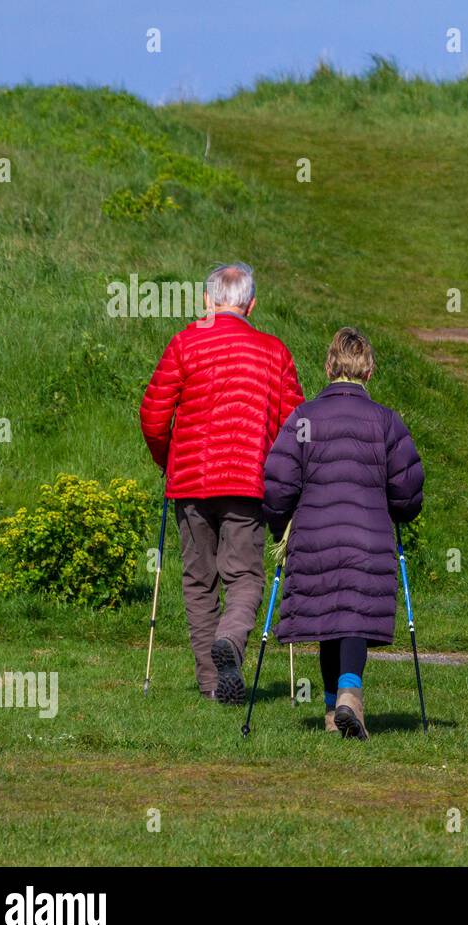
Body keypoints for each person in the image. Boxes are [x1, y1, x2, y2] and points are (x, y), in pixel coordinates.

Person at [139, 263, 304, 703]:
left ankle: (212, 684)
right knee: (245, 575)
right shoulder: (274, 351)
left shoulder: (184, 344)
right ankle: (230, 642)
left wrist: (167, 462)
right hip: (249, 481)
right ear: (251, 304)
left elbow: (153, 416)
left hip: (191, 483)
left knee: (199, 581)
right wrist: (289, 484)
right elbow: (295, 428)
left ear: (207, 301)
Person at [262, 328, 424, 739]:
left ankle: (334, 709)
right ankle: (350, 693)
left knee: (327, 617)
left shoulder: (303, 418)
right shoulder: (385, 421)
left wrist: (279, 525)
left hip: (315, 535)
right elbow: (407, 490)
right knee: (352, 612)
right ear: (368, 370)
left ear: (329, 367)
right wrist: (402, 509)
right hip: (368, 536)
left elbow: (279, 482)